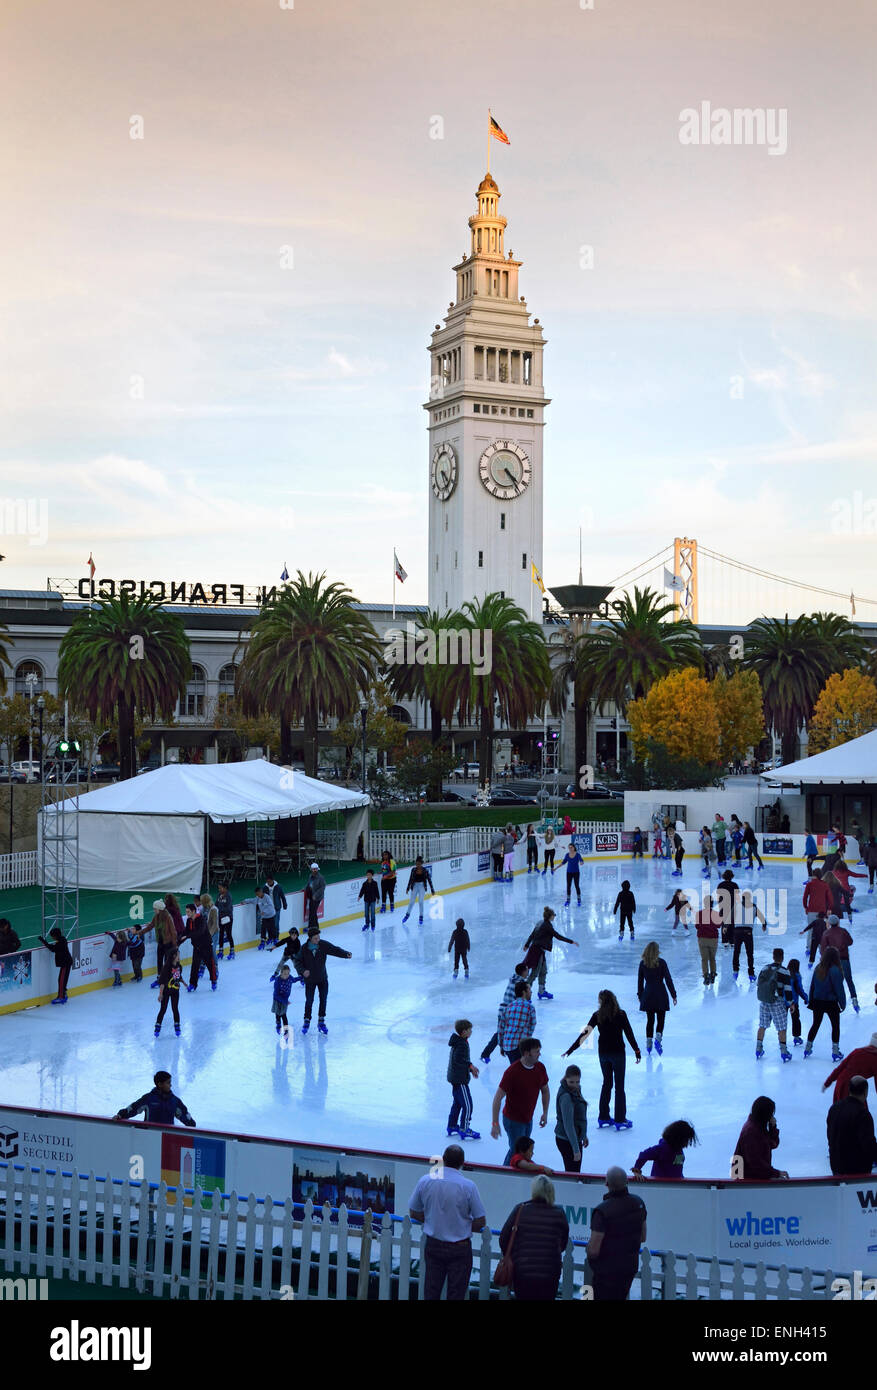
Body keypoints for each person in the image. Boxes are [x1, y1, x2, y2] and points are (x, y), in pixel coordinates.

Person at [407, 1144, 486, 1301]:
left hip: (434, 1244)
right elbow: (481, 1220)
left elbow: (414, 1211)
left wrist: (431, 1219)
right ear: (462, 1162)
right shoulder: (468, 1186)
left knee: (431, 1292)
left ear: (443, 1160)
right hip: (460, 1248)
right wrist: (461, 1225)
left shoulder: (426, 1180)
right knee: (456, 1294)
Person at [562, 990, 641, 1130]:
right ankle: (620, 1119)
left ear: (601, 1001)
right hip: (617, 1054)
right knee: (619, 1086)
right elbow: (629, 1033)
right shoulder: (621, 1014)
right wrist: (636, 1050)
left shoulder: (597, 1015)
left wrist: (571, 1049)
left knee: (607, 1084)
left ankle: (603, 1116)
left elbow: (585, 1034)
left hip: (604, 1054)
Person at [498, 1174, 569, 1302]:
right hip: (550, 1273)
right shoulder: (559, 1213)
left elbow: (504, 1238)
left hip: (523, 1273)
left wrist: (515, 1257)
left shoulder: (520, 1209)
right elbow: (563, 1243)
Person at [586, 1167, 647, 1301]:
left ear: (606, 1184)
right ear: (627, 1182)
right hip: (628, 1268)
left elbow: (593, 1251)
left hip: (606, 1272)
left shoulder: (602, 1211)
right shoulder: (639, 1203)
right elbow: (643, 1237)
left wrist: (588, 1249)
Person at [490, 1038, 550, 1164]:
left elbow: (545, 1090)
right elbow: (497, 1098)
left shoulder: (540, 1068)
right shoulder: (512, 1072)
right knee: (517, 1151)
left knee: (522, 1149)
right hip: (513, 1121)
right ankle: (506, 1174)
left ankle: (511, 1172)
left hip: (528, 1119)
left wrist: (545, 1112)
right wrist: (495, 1123)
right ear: (527, 1053)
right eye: (537, 1051)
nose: (540, 1054)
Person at [295, 926, 352, 1034]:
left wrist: (345, 954)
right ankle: (306, 1021)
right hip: (310, 980)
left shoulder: (323, 945)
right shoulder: (304, 949)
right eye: (316, 938)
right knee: (309, 1001)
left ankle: (321, 1021)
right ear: (310, 938)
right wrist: (303, 971)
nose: (318, 940)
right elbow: (297, 962)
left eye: (318, 937)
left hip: (322, 978)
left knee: (323, 999)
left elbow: (334, 949)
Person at [522, 906, 578, 1000]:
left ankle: (541, 991)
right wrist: (571, 941)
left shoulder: (541, 923)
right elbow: (558, 936)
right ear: (550, 916)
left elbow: (532, 935)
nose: (554, 917)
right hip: (537, 951)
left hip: (539, 950)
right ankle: (525, 995)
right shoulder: (547, 926)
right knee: (534, 973)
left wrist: (527, 945)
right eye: (554, 915)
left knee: (543, 971)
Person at [827, 1076, 877, 1176]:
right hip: (857, 1174)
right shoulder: (863, 1114)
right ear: (865, 1092)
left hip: (836, 1169)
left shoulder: (834, 1109)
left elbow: (830, 1137)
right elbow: (868, 1146)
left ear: (849, 1090)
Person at [480, 962, 529, 1063]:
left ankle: (486, 1054)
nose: (528, 972)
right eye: (527, 970)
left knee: (500, 1033)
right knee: (501, 1034)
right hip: (509, 1012)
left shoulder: (513, 979)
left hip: (503, 1010)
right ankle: (488, 1054)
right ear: (523, 971)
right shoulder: (520, 984)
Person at [803, 944, 846, 1060]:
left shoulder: (818, 968)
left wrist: (811, 1000)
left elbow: (812, 986)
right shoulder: (835, 970)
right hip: (831, 1002)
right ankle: (835, 1051)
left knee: (815, 1024)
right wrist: (843, 1004)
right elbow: (839, 989)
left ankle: (807, 1048)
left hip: (817, 1002)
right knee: (835, 1026)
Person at [732, 1096, 788, 1180]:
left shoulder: (759, 1127)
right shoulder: (751, 1132)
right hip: (744, 1182)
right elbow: (756, 1164)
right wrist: (776, 1173)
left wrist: (772, 1128)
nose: (772, 1117)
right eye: (771, 1114)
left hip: (752, 1177)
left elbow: (773, 1144)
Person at [113, 1071, 196, 1127]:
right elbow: (133, 1108)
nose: (170, 1085)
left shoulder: (175, 1101)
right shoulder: (148, 1098)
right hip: (149, 1136)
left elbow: (186, 1117)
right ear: (160, 1084)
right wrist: (120, 1115)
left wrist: (192, 1126)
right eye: (168, 1083)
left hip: (168, 1138)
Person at [636, 941, 677, 1055]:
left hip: (648, 994)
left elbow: (639, 982)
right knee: (661, 1019)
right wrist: (673, 995)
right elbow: (668, 979)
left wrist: (640, 996)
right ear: (657, 951)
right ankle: (658, 1039)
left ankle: (649, 1042)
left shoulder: (642, 964)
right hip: (660, 994)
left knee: (650, 1020)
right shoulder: (662, 963)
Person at [755, 947, 793, 1061]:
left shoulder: (765, 968)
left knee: (762, 1026)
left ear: (773, 957)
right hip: (777, 1002)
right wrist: (791, 1004)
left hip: (764, 1001)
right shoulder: (785, 971)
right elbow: (787, 989)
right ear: (782, 958)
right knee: (782, 1028)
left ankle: (758, 1048)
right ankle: (784, 1051)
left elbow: (759, 983)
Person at [447, 1019, 480, 1140]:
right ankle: (464, 1128)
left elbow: (459, 1060)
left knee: (457, 1103)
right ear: (464, 1031)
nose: (471, 1031)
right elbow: (459, 1059)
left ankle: (452, 1125)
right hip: (459, 1079)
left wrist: (470, 1068)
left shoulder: (460, 1041)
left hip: (455, 1077)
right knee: (467, 1104)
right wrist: (471, 1066)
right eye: (470, 1029)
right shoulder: (461, 1044)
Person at [631, 1120, 698, 1179]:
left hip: (675, 1185)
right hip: (661, 1185)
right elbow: (644, 1154)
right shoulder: (662, 1149)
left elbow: (677, 1168)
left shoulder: (678, 1149)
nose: (687, 1143)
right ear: (678, 1138)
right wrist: (637, 1170)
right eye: (686, 1140)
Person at [820, 914, 859, 1011]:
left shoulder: (826, 933)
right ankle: (854, 999)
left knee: (836, 981)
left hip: (833, 961)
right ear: (838, 922)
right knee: (849, 980)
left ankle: (835, 1001)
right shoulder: (843, 931)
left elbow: (823, 949)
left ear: (829, 923)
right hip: (844, 959)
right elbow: (850, 942)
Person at [822, 1034, 877, 1102]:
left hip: (840, 1084)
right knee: (858, 1110)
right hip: (855, 1089)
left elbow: (840, 1068)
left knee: (839, 1110)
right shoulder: (875, 1059)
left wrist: (827, 1082)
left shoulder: (857, 1051)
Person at [554, 1065, 588, 1173]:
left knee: (574, 1172)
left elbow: (579, 1116)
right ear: (566, 1078)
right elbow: (568, 1125)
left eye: (577, 1082)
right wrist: (576, 1149)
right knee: (573, 1174)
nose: (575, 1085)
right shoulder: (566, 1097)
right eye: (571, 1082)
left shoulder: (576, 1090)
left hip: (573, 1137)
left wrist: (583, 1135)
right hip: (566, 1140)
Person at [732, 889, 767, 981]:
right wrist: (764, 925)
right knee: (750, 953)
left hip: (737, 931)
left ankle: (735, 971)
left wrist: (726, 927)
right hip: (748, 932)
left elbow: (730, 917)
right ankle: (751, 974)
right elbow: (762, 917)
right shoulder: (753, 906)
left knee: (736, 952)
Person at [498, 980, 537, 1063]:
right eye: (529, 990)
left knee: (516, 1069)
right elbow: (532, 1025)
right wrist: (527, 1042)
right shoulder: (530, 1007)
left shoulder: (508, 1007)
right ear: (524, 992)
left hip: (508, 1045)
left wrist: (501, 1045)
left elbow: (501, 1027)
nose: (531, 992)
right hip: (520, 1046)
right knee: (521, 1072)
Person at [188, 900, 218, 992]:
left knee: (210, 964)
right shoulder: (189, 921)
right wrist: (179, 940)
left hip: (206, 946)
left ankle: (213, 981)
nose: (187, 913)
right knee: (195, 966)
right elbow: (186, 931)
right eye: (186, 911)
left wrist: (189, 935)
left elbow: (200, 932)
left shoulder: (201, 919)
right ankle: (193, 984)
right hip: (197, 947)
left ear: (193, 911)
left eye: (188, 911)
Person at [154, 946, 183, 1038]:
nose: (179, 956)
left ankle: (177, 1026)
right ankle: (157, 1026)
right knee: (163, 1009)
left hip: (175, 991)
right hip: (166, 991)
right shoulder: (166, 968)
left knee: (175, 1009)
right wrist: (160, 994)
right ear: (174, 956)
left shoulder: (179, 967)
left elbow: (178, 977)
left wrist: (184, 983)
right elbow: (162, 982)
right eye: (178, 955)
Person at [38, 926, 73, 1004]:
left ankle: (61, 997)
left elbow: (53, 949)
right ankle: (63, 993)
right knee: (62, 980)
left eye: (52, 936)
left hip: (65, 963)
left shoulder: (61, 942)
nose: (52, 938)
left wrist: (44, 942)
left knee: (61, 980)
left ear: (55, 935)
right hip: (66, 963)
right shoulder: (61, 940)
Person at [148, 900, 175, 988]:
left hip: (168, 944)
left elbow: (173, 931)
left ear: (159, 909)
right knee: (159, 961)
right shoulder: (156, 917)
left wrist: (175, 945)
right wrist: (139, 933)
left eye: (155, 909)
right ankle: (160, 978)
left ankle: (167, 979)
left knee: (167, 962)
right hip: (160, 943)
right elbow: (150, 926)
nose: (154, 910)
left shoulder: (168, 917)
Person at [694, 894, 720, 985]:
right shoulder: (715, 914)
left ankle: (706, 976)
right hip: (713, 939)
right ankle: (713, 974)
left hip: (702, 939)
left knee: (704, 959)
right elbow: (719, 925)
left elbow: (697, 926)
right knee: (712, 958)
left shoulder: (699, 914)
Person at [403, 856, 434, 924]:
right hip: (414, 886)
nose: (418, 865)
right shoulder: (413, 870)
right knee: (411, 902)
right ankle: (407, 915)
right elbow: (410, 879)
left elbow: (429, 880)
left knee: (420, 902)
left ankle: (421, 916)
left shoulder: (425, 870)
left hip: (422, 886)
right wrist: (408, 888)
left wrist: (432, 889)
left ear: (421, 863)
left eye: (419, 864)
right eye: (417, 864)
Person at [715, 868, 741, 947]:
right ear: (731, 877)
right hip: (733, 907)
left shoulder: (720, 885)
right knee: (732, 924)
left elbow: (718, 898)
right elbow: (737, 898)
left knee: (724, 924)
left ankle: (725, 941)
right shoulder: (735, 885)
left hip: (723, 907)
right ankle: (732, 941)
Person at [786, 957, 808, 1048]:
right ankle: (796, 1037)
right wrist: (806, 998)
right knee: (795, 1019)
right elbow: (799, 989)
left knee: (783, 1021)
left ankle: (781, 1039)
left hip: (784, 1001)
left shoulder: (785, 974)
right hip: (794, 1002)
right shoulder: (796, 976)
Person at [269, 962, 294, 1038]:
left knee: (284, 1015)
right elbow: (276, 994)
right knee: (278, 1014)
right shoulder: (277, 980)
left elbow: (294, 979)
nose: (287, 975)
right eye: (285, 974)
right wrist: (285, 1001)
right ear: (281, 973)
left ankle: (286, 1031)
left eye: (288, 973)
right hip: (277, 1000)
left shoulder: (289, 977)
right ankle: (278, 1025)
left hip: (284, 999)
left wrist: (302, 977)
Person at [559, 841, 584, 907]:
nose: (570, 848)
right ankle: (568, 900)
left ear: (574, 848)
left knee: (576, 886)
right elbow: (563, 862)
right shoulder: (567, 855)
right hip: (569, 873)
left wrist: (581, 862)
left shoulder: (577, 854)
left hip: (576, 872)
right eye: (569, 847)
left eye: (571, 847)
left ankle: (579, 900)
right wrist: (556, 868)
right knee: (568, 886)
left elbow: (581, 860)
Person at [304, 863, 326, 932]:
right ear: (311, 870)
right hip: (311, 896)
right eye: (313, 869)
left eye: (316, 869)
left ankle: (313, 927)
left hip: (317, 897)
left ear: (317, 869)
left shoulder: (321, 877)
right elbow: (308, 884)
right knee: (311, 911)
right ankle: (313, 927)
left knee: (313, 912)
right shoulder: (310, 876)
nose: (314, 870)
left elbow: (322, 888)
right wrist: (304, 889)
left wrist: (315, 895)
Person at [255, 885, 278, 950]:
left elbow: (271, 906)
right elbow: (253, 900)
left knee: (272, 928)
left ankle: (275, 939)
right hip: (264, 917)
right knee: (263, 928)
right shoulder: (258, 898)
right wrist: (245, 901)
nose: (257, 895)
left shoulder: (267, 897)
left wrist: (264, 911)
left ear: (261, 892)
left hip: (271, 915)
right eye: (256, 894)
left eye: (258, 894)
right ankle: (263, 941)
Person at [216, 882, 235, 959]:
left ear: (225, 888)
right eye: (219, 888)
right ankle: (221, 951)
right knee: (221, 934)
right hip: (220, 918)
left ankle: (232, 951)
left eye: (220, 888)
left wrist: (220, 909)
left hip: (228, 918)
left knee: (228, 934)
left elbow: (228, 908)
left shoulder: (228, 896)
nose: (219, 889)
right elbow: (216, 904)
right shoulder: (219, 895)